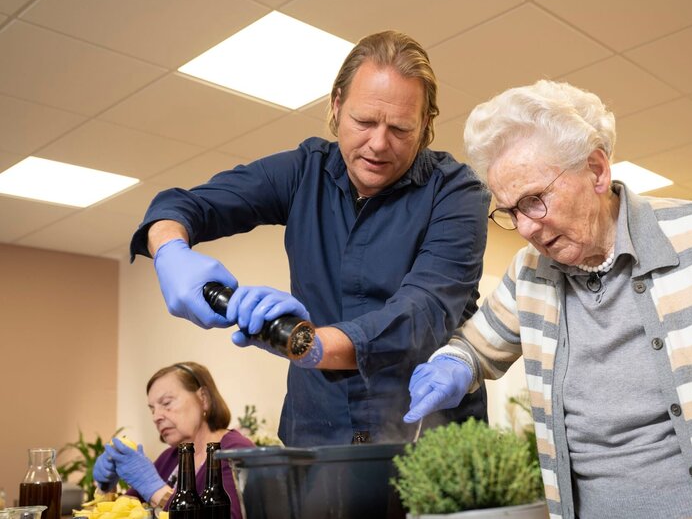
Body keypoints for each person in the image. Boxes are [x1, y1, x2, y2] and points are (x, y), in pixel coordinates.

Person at [402, 80, 692, 518]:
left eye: (534, 200)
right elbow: (477, 346)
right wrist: (455, 362)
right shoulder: (529, 273)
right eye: (510, 211)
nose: (526, 228)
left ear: (596, 170)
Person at [129, 30, 489, 447]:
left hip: (428, 436)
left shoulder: (457, 192)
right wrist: (170, 249)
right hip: (317, 432)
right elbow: (188, 206)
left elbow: (421, 311)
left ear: (426, 124)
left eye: (400, 129)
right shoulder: (304, 172)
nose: (378, 143)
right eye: (364, 121)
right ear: (336, 105)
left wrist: (308, 344)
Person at [93, 362, 254, 518]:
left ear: (203, 398)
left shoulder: (236, 450)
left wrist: (156, 490)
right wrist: (106, 489)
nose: (156, 417)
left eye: (166, 403)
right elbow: (127, 510)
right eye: (152, 409)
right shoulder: (169, 458)